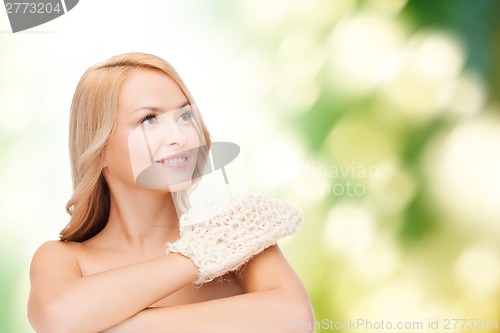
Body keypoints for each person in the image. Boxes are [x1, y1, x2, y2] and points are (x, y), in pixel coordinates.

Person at [27, 52, 314, 333]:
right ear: (99, 148)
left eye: (185, 115)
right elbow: (57, 318)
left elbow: (296, 319)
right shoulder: (62, 259)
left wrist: (118, 325)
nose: (179, 137)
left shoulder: (237, 235)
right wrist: (194, 257)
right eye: (149, 119)